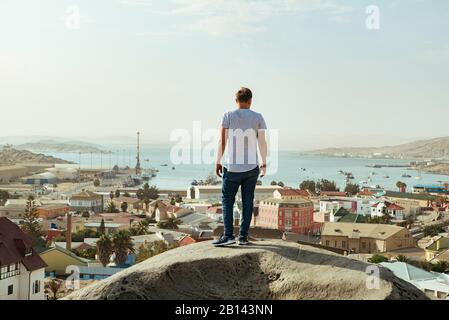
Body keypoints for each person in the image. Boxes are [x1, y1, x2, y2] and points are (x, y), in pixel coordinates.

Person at [213, 87, 268, 246]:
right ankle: (243, 237)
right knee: (248, 202)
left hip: (232, 168)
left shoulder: (228, 116)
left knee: (227, 201)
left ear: (236, 101)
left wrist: (218, 160)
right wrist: (264, 163)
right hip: (252, 167)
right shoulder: (258, 117)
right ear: (250, 101)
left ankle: (228, 235)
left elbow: (222, 141)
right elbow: (262, 142)